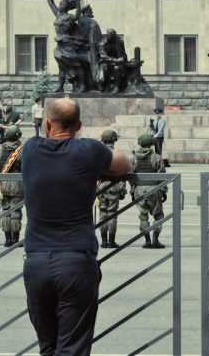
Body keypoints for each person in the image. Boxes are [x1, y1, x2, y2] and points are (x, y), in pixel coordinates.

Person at [21, 97, 131, 355]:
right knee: (72, 348)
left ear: (47, 123)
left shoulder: (30, 149)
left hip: (36, 261)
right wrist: (94, 171)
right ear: (79, 125)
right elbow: (124, 164)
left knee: (48, 347)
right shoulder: (88, 151)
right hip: (75, 262)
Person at [131, 133, 167, 249]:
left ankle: (147, 240)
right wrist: (163, 190)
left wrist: (133, 191)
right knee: (158, 216)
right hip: (154, 189)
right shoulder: (156, 157)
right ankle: (155, 240)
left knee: (143, 216)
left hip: (139, 190)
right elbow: (162, 176)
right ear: (151, 144)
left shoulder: (133, 159)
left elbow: (131, 176)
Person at [0, 124, 25, 246]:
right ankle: (15, 240)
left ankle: (7, 240)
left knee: (5, 211)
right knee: (16, 212)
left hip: (3, 186)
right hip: (18, 186)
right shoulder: (23, 151)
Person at [96, 130, 128, 249]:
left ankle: (103, 241)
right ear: (114, 140)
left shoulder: (97, 154)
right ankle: (111, 241)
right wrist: (123, 191)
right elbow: (124, 172)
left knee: (103, 213)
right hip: (114, 186)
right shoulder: (117, 154)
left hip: (101, 186)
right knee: (112, 214)